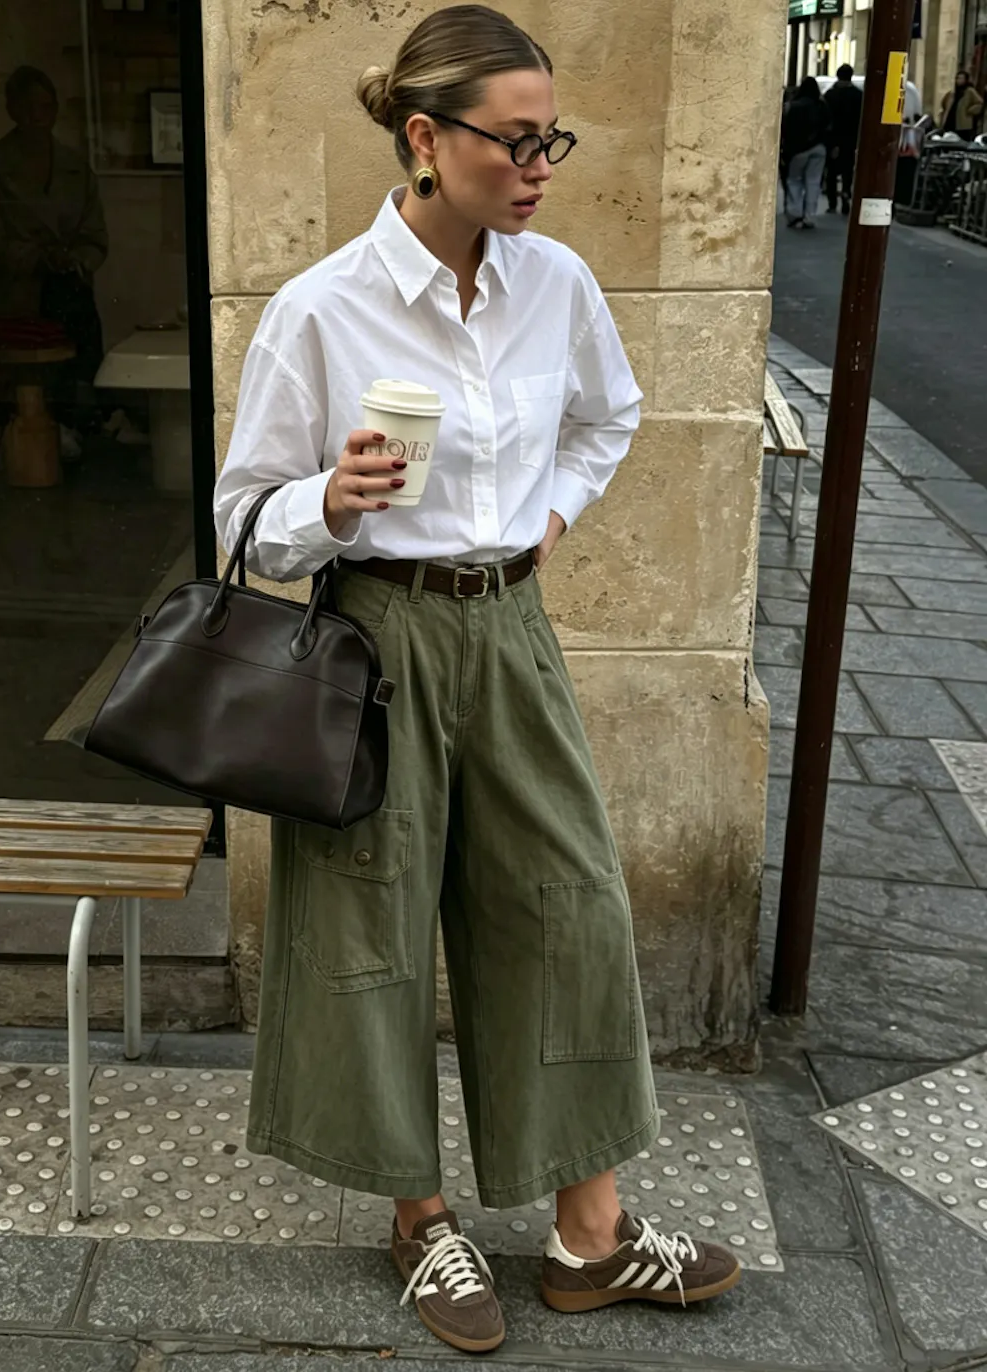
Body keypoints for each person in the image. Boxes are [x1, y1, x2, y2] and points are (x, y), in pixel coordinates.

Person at [214, 3, 741, 1355]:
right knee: (375, 921)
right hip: (373, 636)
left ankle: (588, 1237)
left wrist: (549, 517)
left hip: (511, 630)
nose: (539, 166)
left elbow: (608, 416)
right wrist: (328, 500)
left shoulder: (554, 284)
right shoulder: (319, 308)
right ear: (424, 137)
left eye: (550, 139)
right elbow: (240, 522)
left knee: (570, 909)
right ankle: (422, 1217)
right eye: (514, 140)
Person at [0, 66, 107, 438]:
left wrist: (75, 261)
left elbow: (95, 238)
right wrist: (39, 258)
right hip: (15, 296)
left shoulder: (75, 167)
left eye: (45, 106)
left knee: (81, 333)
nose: (37, 116)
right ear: (11, 109)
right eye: (27, 107)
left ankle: (79, 421)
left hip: (71, 294)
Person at [781, 76, 830, 229]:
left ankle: (795, 214)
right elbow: (829, 127)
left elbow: (785, 130)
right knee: (813, 182)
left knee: (794, 180)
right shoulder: (822, 105)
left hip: (798, 150)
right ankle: (810, 216)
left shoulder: (792, 107)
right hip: (819, 148)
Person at [824, 64, 863, 215]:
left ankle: (832, 203)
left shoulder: (830, 94)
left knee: (831, 172)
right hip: (851, 139)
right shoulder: (858, 95)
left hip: (833, 138)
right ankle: (846, 193)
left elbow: (826, 118)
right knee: (848, 170)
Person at [940, 70, 984, 141]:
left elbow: (980, 103)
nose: (959, 80)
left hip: (963, 125)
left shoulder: (970, 91)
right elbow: (944, 104)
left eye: (961, 78)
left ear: (966, 80)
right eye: (957, 78)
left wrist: (970, 110)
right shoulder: (952, 93)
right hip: (950, 122)